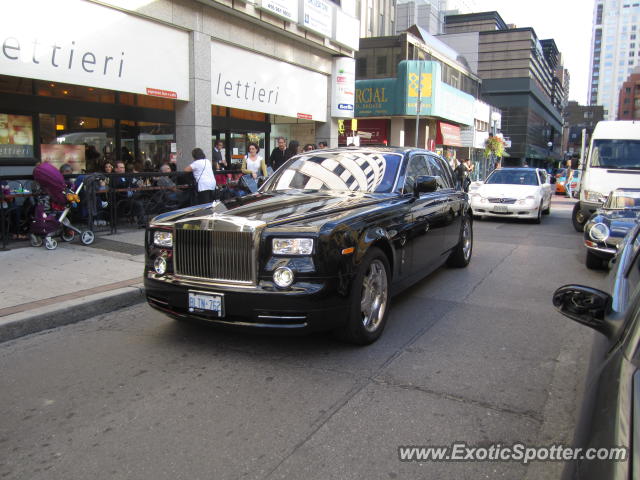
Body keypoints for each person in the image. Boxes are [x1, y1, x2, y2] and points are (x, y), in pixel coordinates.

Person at [112, 160, 146, 227]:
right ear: (116, 169)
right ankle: (142, 223)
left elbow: (133, 184)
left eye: (123, 167)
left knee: (143, 199)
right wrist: (128, 184)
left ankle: (143, 221)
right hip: (121, 199)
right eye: (121, 167)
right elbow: (119, 186)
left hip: (130, 197)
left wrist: (139, 184)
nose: (123, 169)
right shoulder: (113, 177)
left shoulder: (126, 176)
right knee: (138, 204)